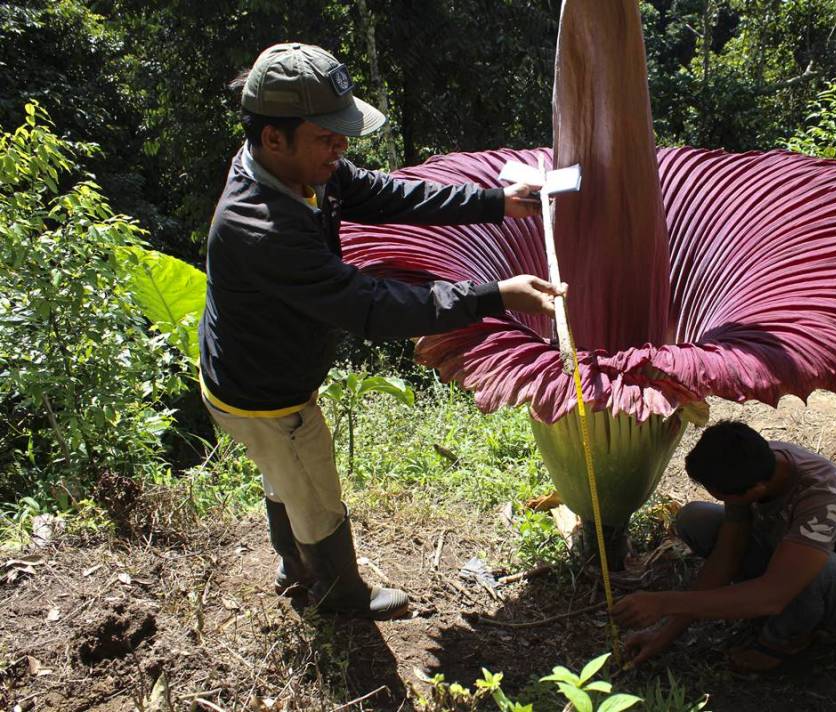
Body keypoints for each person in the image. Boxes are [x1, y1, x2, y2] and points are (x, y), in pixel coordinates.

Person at [198, 42, 564, 620]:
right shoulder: (260, 226)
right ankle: (340, 596)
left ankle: (293, 566)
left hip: (256, 367)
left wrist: (498, 204)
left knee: (284, 475)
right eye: (327, 137)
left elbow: (392, 193)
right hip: (266, 394)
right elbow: (368, 305)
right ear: (275, 137)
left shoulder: (293, 168)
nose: (340, 150)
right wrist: (492, 296)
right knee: (314, 492)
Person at [616, 420, 836, 672]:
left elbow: (773, 596)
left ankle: (780, 642)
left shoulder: (822, 501)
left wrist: (665, 603)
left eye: (725, 497)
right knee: (696, 518)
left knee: (814, 570)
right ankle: (765, 600)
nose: (724, 500)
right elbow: (727, 555)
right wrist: (665, 633)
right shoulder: (753, 461)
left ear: (755, 491)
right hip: (786, 552)